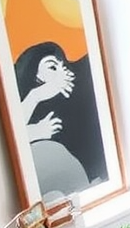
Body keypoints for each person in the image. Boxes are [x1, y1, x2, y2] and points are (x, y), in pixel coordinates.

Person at [14, 40, 106, 199]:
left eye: (63, 66)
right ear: (34, 75)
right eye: (52, 67)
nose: (61, 73)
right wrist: (35, 97)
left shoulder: (79, 89)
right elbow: (12, 138)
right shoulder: (29, 102)